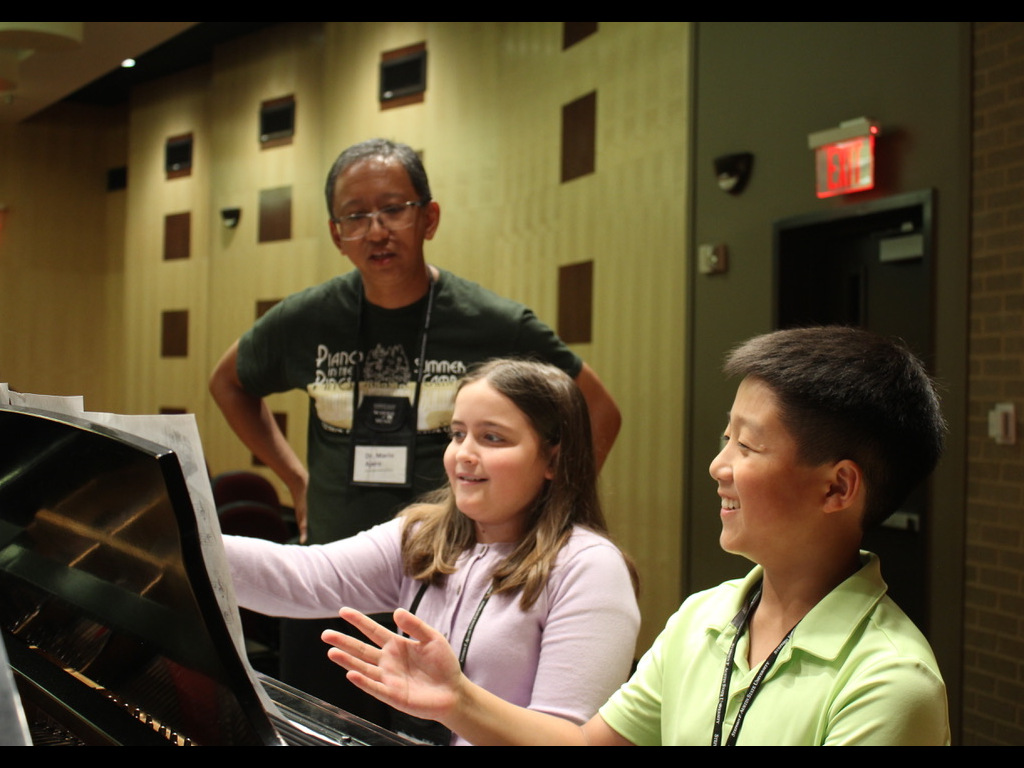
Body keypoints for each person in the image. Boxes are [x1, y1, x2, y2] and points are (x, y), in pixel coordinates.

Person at [325, 326, 952, 746]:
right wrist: (457, 700)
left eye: (749, 445)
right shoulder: (704, 617)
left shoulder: (888, 684)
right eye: (724, 437)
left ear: (838, 489)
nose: (719, 466)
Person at [208, 138, 621, 712]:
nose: (376, 230)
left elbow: (596, 409)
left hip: (451, 572)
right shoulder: (308, 318)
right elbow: (228, 382)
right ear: (336, 233)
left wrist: (548, 509)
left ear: (429, 217)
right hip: (337, 565)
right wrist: (294, 478)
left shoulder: (491, 322)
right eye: (356, 216)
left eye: (394, 209)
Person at [224, 359, 640, 745]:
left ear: (554, 458)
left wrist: (458, 703)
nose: (463, 454)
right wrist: (180, 534)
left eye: (492, 438)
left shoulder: (590, 567)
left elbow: (572, 739)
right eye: (458, 434)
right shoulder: (423, 535)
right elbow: (299, 577)